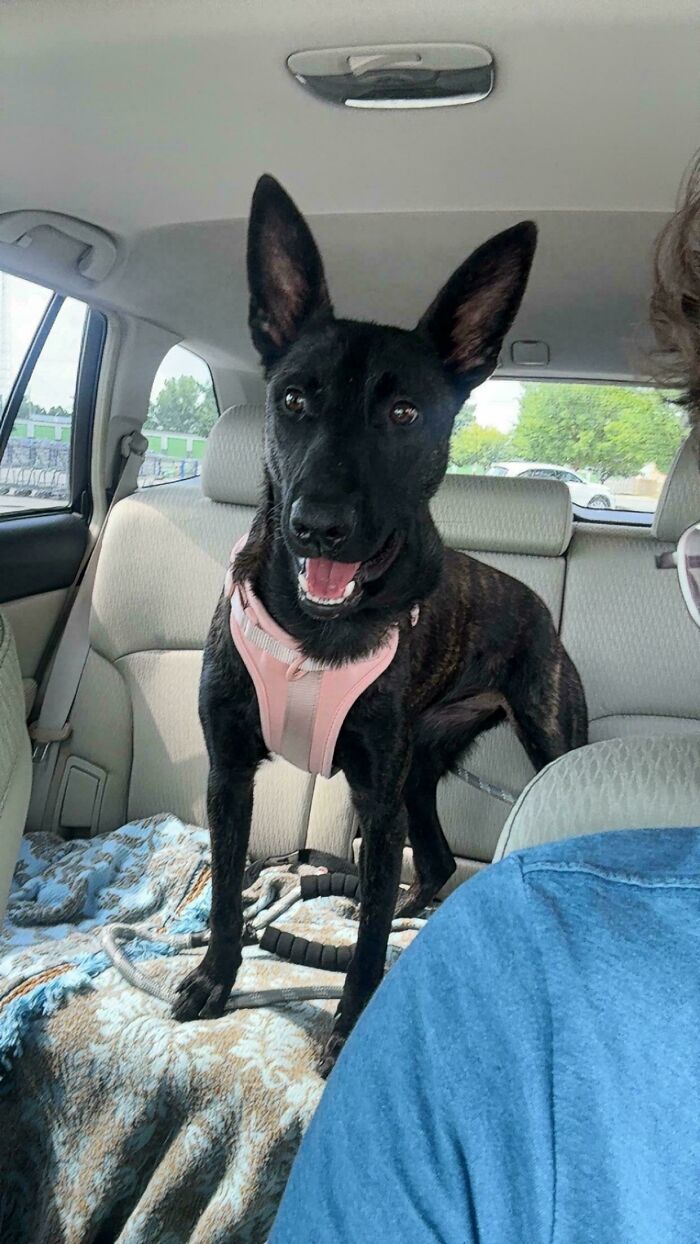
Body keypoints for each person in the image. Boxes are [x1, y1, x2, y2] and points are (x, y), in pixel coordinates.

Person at [269, 159, 700, 1244]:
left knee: (545, 773)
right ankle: (418, 871)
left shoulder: (538, 915)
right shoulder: (517, 973)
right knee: (400, 768)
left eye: (401, 414)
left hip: (510, 652)